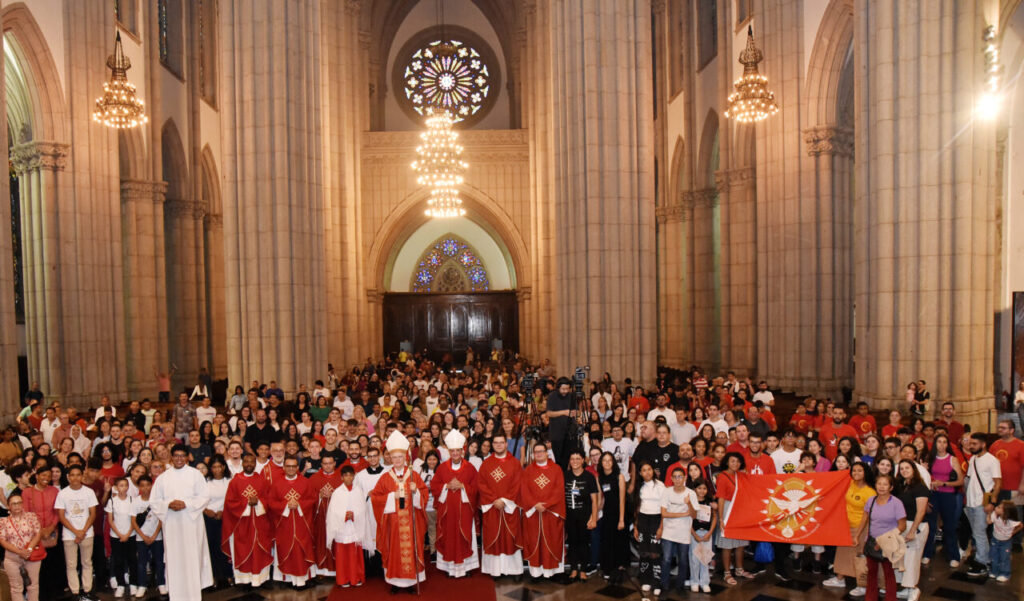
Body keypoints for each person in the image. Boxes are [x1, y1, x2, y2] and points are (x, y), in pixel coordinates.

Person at [150, 444, 214, 601]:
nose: (179, 459)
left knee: (192, 557)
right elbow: (154, 501)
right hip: (172, 524)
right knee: (174, 558)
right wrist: (168, 505)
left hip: (191, 523)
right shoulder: (163, 478)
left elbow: (204, 496)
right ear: (171, 457)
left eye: (182, 455)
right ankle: (176, 595)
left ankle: (194, 595)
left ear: (187, 457)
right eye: (176, 455)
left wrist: (186, 504)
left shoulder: (195, 475)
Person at [369, 430, 429, 593]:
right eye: (394, 457)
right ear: (390, 458)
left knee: (411, 549)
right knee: (394, 551)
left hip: (412, 521)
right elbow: (375, 498)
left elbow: (425, 495)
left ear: (405, 457)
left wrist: (416, 491)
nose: (397, 460)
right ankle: (395, 582)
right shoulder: (385, 478)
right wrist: (390, 496)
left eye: (400, 457)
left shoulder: (414, 475)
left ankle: (410, 583)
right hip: (393, 524)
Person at [430, 430, 479, 577]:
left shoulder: (470, 468)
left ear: (462, 451)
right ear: (449, 452)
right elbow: (434, 486)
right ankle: (448, 567)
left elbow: (476, 488)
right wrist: (446, 486)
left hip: (464, 511)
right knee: (448, 536)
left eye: (458, 450)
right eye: (453, 451)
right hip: (447, 512)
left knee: (465, 535)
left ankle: (467, 567)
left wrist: (463, 486)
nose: (455, 453)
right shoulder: (442, 468)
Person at [221, 453, 273, 586]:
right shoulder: (235, 481)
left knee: (260, 551)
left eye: (252, 462)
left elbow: (269, 499)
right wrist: (246, 503)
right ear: (242, 463)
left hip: (260, 524)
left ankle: (261, 579)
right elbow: (230, 503)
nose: (249, 464)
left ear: (255, 464)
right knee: (243, 551)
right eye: (246, 462)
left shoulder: (262, 480)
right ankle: (244, 581)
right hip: (242, 525)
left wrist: (259, 502)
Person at [477, 432, 524, 578]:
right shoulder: (486, 464)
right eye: (496, 442)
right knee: (494, 537)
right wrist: (494, 500)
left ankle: (514, 570)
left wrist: (505, 500)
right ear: (492, 445)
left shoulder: (515, 463)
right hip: (492, 507)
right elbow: (481, 484)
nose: (498, 445)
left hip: (509, 507)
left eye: (501, 442)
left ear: (506, 444)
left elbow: (518, 484)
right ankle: (495, 570)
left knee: (511, 537)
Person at [824, 462, 875, 591]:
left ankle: (862, 585)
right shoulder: (850, 484)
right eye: (854, 471)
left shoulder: (869, 492)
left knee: (859, 556)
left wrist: (858, 534)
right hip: (846, 525)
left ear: (865, 473)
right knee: (842, 554)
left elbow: (866, 515)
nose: (856, 473)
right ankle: (840, 579)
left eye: (860, 471)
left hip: (860, 527)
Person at [521, 440, 566, 579]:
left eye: (541, 451)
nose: (539, 454)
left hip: (551, 512)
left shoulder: (556, 469)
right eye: (536, 452)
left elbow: (559, 490)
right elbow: (524, 490)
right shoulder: (528, 470)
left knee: (553, 540)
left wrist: (546, 505)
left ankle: (554, 572)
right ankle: (536, 573)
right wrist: (535, 504)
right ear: (533, 454)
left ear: (547, 453)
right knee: (534, 540)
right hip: (534, 511)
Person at [268, 455, 315, 587]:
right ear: (283, 467)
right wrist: (286, 505)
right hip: (284, 524)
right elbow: (271, 502)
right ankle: (286, 579)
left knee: (301, 549)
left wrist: (299, 504)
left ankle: (303, 579)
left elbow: (312, 499)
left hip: (302, 523)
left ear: (297, 467)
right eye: (288, 466)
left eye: (294, 466)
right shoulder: (277, 484)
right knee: (285, 549)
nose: (291, 469)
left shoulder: (305, 482)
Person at [858, 474, 906, 601]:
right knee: (871, 574)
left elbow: (902, 526)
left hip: (888, 544)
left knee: (889, 574)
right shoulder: (871, 500)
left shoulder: (897, 503)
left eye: (885, 484)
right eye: (879, 484)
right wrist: (859, 537)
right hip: (872, 542)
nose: (882, 487)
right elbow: (865, 519)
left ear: (891, 487)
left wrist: (885, 539)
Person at [55, 464, 98, 600]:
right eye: (72, 475)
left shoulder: (89, 492)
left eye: (78, 475)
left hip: (87, 533)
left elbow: (92, 514)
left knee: (87, 562)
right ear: (68, 477)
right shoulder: (62, 493)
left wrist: (83, 531)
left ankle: (87, 590)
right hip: (69, 534)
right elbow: (61, 516)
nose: (75, 478)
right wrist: (75, 531)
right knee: (71, 564)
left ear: (82, 476)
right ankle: (74, 592)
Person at [964, 432, 1001, 577]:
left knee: (979, 533)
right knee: (976, 533)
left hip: (982, 503)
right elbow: (970, 480)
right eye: (970, 443)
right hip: (971, 502)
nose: (971, 446)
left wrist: (992, 502)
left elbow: (998, 483)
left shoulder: (992, 460)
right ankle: (984, 557)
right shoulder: (973, 459)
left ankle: (982, 563)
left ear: (983, 444)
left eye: (974, 444)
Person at [924, 433, 963, 567]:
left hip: (948, 495)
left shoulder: (952, 459)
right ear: (935, 443)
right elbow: (925, 477)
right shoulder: (930, 458)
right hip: (934, 494)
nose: (942, 445)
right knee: (931, 526)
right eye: (939, 442)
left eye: (944, 442)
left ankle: (953, 556)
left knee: (950, 526)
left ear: (948, 444)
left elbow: (960, 481)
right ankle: (927, 553)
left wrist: (944, 484)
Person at [325, 465, 366, 587]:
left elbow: (363, 509)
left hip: (354, 526)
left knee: (355, 554)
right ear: (342, 477)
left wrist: (354, 515)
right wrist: (344, 515)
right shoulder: (337, 492)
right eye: (345, 475)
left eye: (350, 475)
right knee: (343, 556)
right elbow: (332, 512)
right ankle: (344, 579)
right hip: (342, 528)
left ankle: (356, 577)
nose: (348, 478)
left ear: (354, 476)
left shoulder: (358, 491)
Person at [894, 459, 929, 601]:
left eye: (907, 468)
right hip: (902, 525)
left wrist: (912, 530)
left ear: (914, 469)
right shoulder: (902, 487)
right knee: (901, 559)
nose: (904, 471)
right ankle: (906, 588)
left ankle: (914, 588)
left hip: (916, 526)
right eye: (901, 468)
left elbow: (920, 512)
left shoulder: (920, 488)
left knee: (912, 559)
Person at [660, 466, 696, 596]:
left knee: (683, 560)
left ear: (685, 478)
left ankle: (680, 585)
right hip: (668, 532)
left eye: (680, 476)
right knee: (666, 559)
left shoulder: (691, 493)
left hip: (684, 532)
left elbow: (694, 515)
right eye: (675, 477)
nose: (677, 479)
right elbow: (664, 513)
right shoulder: (667, 492)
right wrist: (683, 513)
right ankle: (664, 584)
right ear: (671, 478)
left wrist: (689, 504)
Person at [563, 450, 598, 581]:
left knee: (583, 543)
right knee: (572, 542)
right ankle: (573, 568)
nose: (575, 461)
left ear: (583, 460)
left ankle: (583, 569)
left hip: (584, 516)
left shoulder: (589, 477)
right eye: (572, 459)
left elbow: (595, 500)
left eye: (578, 458)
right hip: (569, 516)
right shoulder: (565, 476)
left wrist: (593, 518)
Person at [0, 493, 42, 601]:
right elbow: (2, 540)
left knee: (33, 586)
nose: (17, 506)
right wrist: (19, 552)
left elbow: (38, 533)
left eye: (19, 503)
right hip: (12, 558)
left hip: (31, 556)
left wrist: (28, 550)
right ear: (9, 506)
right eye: (14, 504)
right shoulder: (3, 521)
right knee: (16, 588)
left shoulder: (31, 516)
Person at [989, 419, 1024, 550]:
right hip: (998, 486)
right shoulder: (995, 445)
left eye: (1003, 428)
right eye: (999, 427)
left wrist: (1022, 484)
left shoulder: (1020, 445)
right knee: (999, 513)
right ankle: (999, 537)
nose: (1000, 430)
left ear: (1011, 430)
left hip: (1015, 486)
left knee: (1015, 514)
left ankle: (1016, 541)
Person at [308, 454, 343, 577]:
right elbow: (308, 498)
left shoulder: (341, 478)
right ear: (321, 465)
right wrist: (320, 496)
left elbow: (346, 497)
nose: (328, 466)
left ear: (334, 464)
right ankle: (321, 570)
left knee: (335, 541)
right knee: (321, 542)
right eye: (325, 463)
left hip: (337, 519)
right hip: (320, 519)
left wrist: (334, 495)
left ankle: (337, 569)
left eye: (330, 463)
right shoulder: (313, 479)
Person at [131, 475, 165, 599]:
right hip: (141, 538)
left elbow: (161, 519)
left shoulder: (157, 501)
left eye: (148, 485)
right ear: (139, 487)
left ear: (152, 485)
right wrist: (143, 536)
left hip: (157, 537)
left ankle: (161, 583)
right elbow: (133, 521)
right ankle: (142, 585)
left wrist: (155, 534)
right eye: (142, 485)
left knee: (160, 562)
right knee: (141, 563)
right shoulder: (136, 501)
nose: (145, 488)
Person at [203, 456, 232, 588]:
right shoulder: (205, 482)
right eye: (213, 467)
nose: (216, 470)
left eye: (219, 467)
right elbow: (199, 500)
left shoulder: (229, 481)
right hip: (209, 518)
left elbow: (233, 500)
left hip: (225, 517)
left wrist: (223, 511)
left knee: (225, 547)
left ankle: (228, 575)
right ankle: (213, 576)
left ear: (224, 467)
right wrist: (205, 510)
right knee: (211, 548)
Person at [105, 477, 134, 597]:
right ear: (116, 487)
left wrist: (127, 534)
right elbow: (110, 521)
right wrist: (119, 534)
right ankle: (120, 585)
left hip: (131, 535)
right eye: (120, 485)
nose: (123, 488)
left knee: (132, 560)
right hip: (116, 536)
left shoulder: (132, 500)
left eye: (125, 485)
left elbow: (134, 519)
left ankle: (133, 584)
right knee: (118, 561)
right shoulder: (112, 501)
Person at [987, 500, 1022, 582]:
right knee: (993, 556)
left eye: (999, 507)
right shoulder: (995, 515)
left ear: (1005, 512)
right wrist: (989, 513)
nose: (996, 507)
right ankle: (994, 571)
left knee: (1004, 558)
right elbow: (989, 522)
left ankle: (1004, 573)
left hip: (1006, 542)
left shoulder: (1011, 521)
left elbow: (1020, 525)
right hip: (995, 540)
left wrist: (1013, 533)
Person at [546, 378, 575, 468]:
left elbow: (577, 411)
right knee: (558, 460)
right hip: (556, 433)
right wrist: (564, 412)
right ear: (558, 387)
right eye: (563, 389)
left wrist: (575, 413)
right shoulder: (552, 396)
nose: (565, 391)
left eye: (567, 389)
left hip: (570, 432)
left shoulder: (571, 396)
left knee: (567, 459)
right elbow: (549, 413)